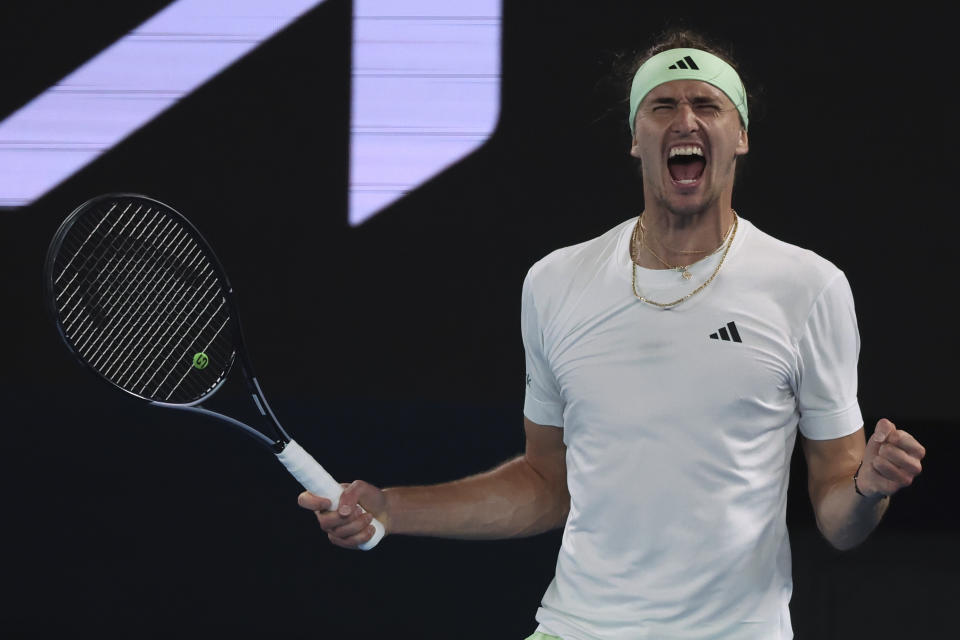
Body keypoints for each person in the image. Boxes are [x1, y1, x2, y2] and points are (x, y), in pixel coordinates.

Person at [297, 30, 927, 639]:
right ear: (636, 138)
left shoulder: (808, 287)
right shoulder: (555, 283)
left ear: (739, 137)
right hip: (579, 628)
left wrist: (868, 489)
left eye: (707, 104)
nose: (685, 119)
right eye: (662, 105)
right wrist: (390, 509)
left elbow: (838, 515)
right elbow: (547, 484)